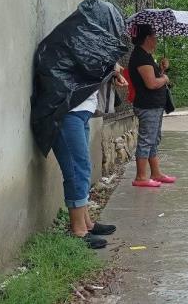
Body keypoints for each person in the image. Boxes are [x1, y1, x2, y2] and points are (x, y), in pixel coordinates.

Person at [52, 68, 128, 249]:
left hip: (81, 111)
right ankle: (78, 231)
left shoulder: (82, 41)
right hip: (69, 110)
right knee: (77, 169)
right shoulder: (74, 41)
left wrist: (113, 72)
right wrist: (113, 69)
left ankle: (86, 223)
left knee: (82, 168)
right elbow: (86, 64)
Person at [128, 24, 177, 188]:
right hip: (147, 106)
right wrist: (165, 79)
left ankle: (155, 173)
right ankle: (141, 177)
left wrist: (162, 70)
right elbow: (151, 83)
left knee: (153, 140)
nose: (157, 39)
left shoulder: (147, 56)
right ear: (148, 38)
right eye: (155, 35)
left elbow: (155, 79)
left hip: (154, 106)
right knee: (146, 140)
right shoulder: (141, 57)